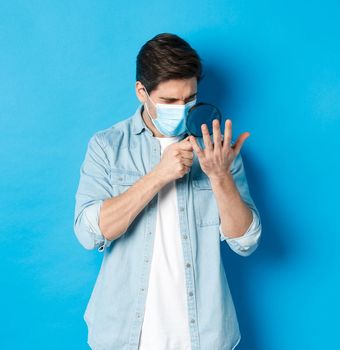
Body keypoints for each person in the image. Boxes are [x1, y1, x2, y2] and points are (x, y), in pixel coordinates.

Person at [73, 33, 262, 350]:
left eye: (190, 99)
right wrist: (158, 175)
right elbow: (90, 233)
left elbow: (246, 242)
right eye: (170, 102)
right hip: (123, 336)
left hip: (203, 335)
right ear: (141, 92)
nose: (183, 109)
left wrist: (219, 176)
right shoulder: (107, 147)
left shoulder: (219, 152)